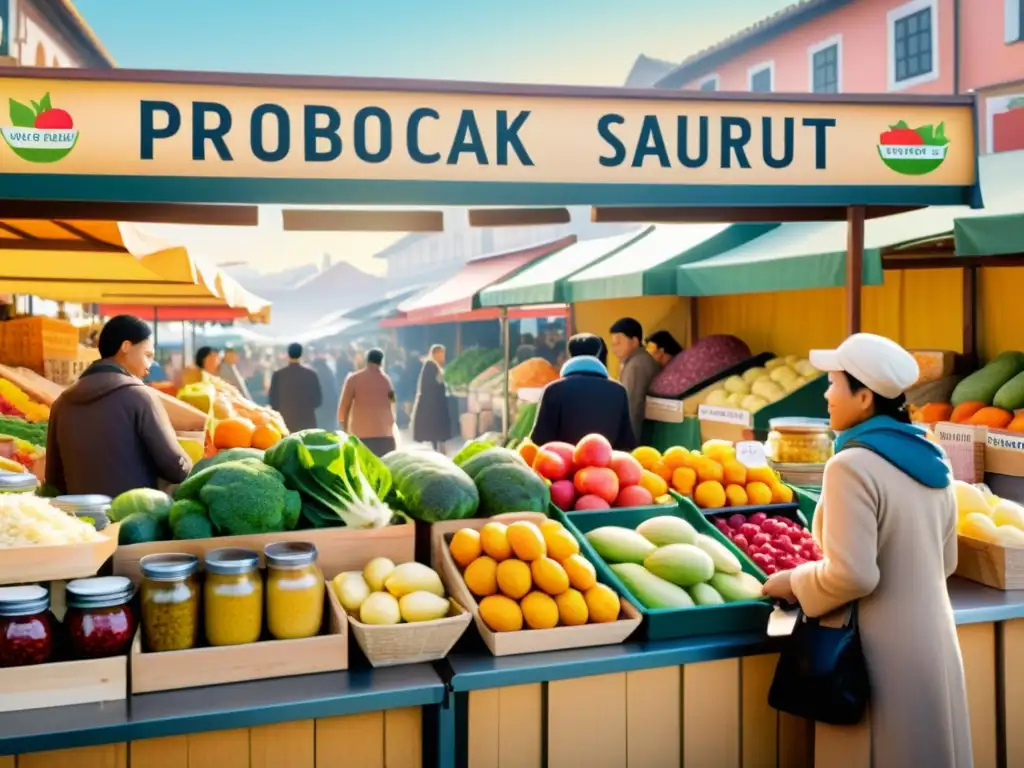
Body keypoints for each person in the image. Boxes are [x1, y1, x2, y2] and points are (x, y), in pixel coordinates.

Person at [762, 333, 971, 767]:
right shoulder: (933, 457)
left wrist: (794, 581)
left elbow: (854, 575)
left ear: (863, 398)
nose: (826, 394)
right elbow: (947, 560)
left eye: (833, 383)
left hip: (878, 656)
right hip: (934, 644)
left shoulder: (850, 465)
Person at [45, 315, 192, 497]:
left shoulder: (61, 404)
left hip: (80, 513)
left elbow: (53, 481)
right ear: (126, 347)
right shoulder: (139, 396)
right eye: (147, 355)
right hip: (134, 513)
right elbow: (176, 469)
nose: (149, 366)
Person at [530, 333, 635, 451]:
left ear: (570, 353)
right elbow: (626, 444)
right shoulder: (618, 391)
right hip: (608, 462)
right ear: (598, 352)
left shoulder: (553, 390)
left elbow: (538, 441)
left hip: (562, 462)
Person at [609, 317, 659, 443]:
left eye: (619, 343)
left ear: (635, 341)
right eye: (613, 344)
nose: (614, 349)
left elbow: (632, 406)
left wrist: (628, 442)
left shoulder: (637, 365)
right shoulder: (636, 361)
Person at [338, 348, 396, 456]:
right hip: (385, 435)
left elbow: (343, 407)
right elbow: (393, 402)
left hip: (362, 435)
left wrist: (344, 428)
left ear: (367, 360)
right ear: (382, 361)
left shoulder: (354, 379)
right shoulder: (386, 380)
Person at [269, 343, 322, 432]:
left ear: (288, 354)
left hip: (285, 423)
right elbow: (318, 401)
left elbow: (273, 402)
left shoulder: (278, 375)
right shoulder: (311, 375)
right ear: (301, 354)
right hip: (307, 422)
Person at [411, 344, 452, 452]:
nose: (443, 357)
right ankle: (436, 447)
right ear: (435, 354)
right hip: (432, 403)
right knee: (434, 428)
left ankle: (438, 446)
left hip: (435, 402)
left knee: (436, 429)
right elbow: (430, 384)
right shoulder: (430, 366)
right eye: (441, 354)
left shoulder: (434, 365)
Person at [312, 353, 340, 431]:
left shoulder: (315, 375)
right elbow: (334, 390)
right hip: (330, 406)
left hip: (320, 408)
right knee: (330, 429)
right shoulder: (329, 373)